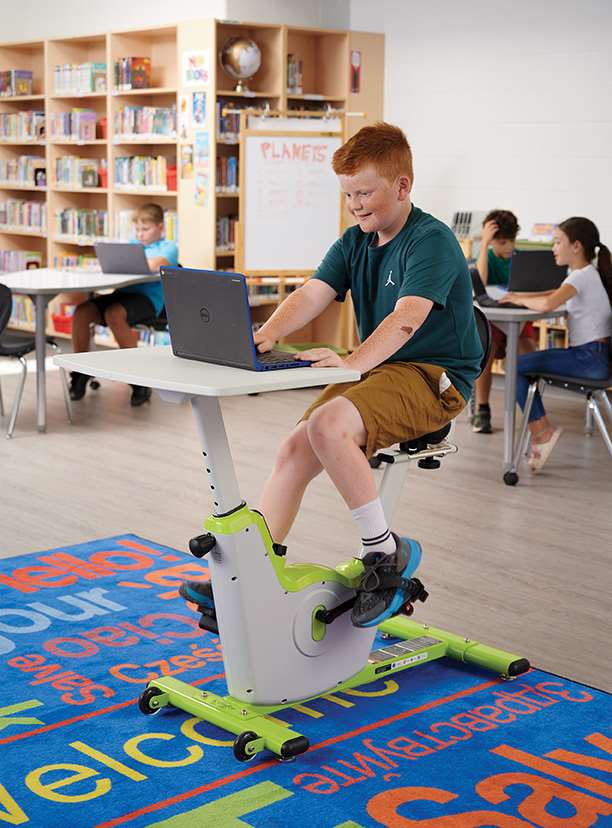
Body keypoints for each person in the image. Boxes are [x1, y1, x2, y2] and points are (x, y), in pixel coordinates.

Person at [180, 122, 483, 628]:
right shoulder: (353, 241)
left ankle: (385, 557)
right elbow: (312, 294)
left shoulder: (431, 241)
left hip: (436, 376)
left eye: (364, 192)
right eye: (347, 194)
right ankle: (257, 571)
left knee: (326, 428)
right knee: (295, 447)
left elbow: (407, 317)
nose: (355, 205)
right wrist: (267, 333)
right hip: (381, 369)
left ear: (402, 186)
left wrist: (354, 361)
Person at [501, 217, 612, 472]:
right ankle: (541, 430)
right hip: (594, 357)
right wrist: (516, 296)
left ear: (576, 246)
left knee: (514, 366)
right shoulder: (585, 274)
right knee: (520, 365)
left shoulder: (581, 277)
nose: (554, 248)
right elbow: (552, 294)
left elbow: (548, 304)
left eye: (558, 242)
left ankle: (542, 432)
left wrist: (518, 301)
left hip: (588, 360)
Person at [69, 203, 178, 406]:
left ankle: (137, 379)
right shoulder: (131, 245)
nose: (140, 234)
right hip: (122, 294)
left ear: (160, 228)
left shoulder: (169, 247)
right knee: (82, 311)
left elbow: (155, 264)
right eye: (137, 229)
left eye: (146, 229)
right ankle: (81, 371)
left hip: (149, 300)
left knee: (114, 314)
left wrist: (130, 260)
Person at [471, 209, 538, 433]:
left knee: (529, 352)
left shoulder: (522, 260)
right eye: (501, 242)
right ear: (493, 241)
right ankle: (482, 409)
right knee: (485, 353)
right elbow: (479, 283)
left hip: (517, 319)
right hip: (493, 320)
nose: (508, 247)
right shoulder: (486, 257)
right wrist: (484, 245)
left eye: (511, 241)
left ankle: (534, 413)